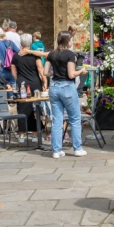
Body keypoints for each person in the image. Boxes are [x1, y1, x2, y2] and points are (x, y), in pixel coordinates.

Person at [47, 31, 90, 160]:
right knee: (75, 119)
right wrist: (81, 71)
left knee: (57, 120)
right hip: (67, 87)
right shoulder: (70, 55)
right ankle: (77, 148)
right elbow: (71, 74)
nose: (72, 42)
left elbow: (45, 72)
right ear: (67, 41)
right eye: (71, 39)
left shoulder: (51, 54)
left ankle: (56, 150)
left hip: (54, 87)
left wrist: (55, 75)